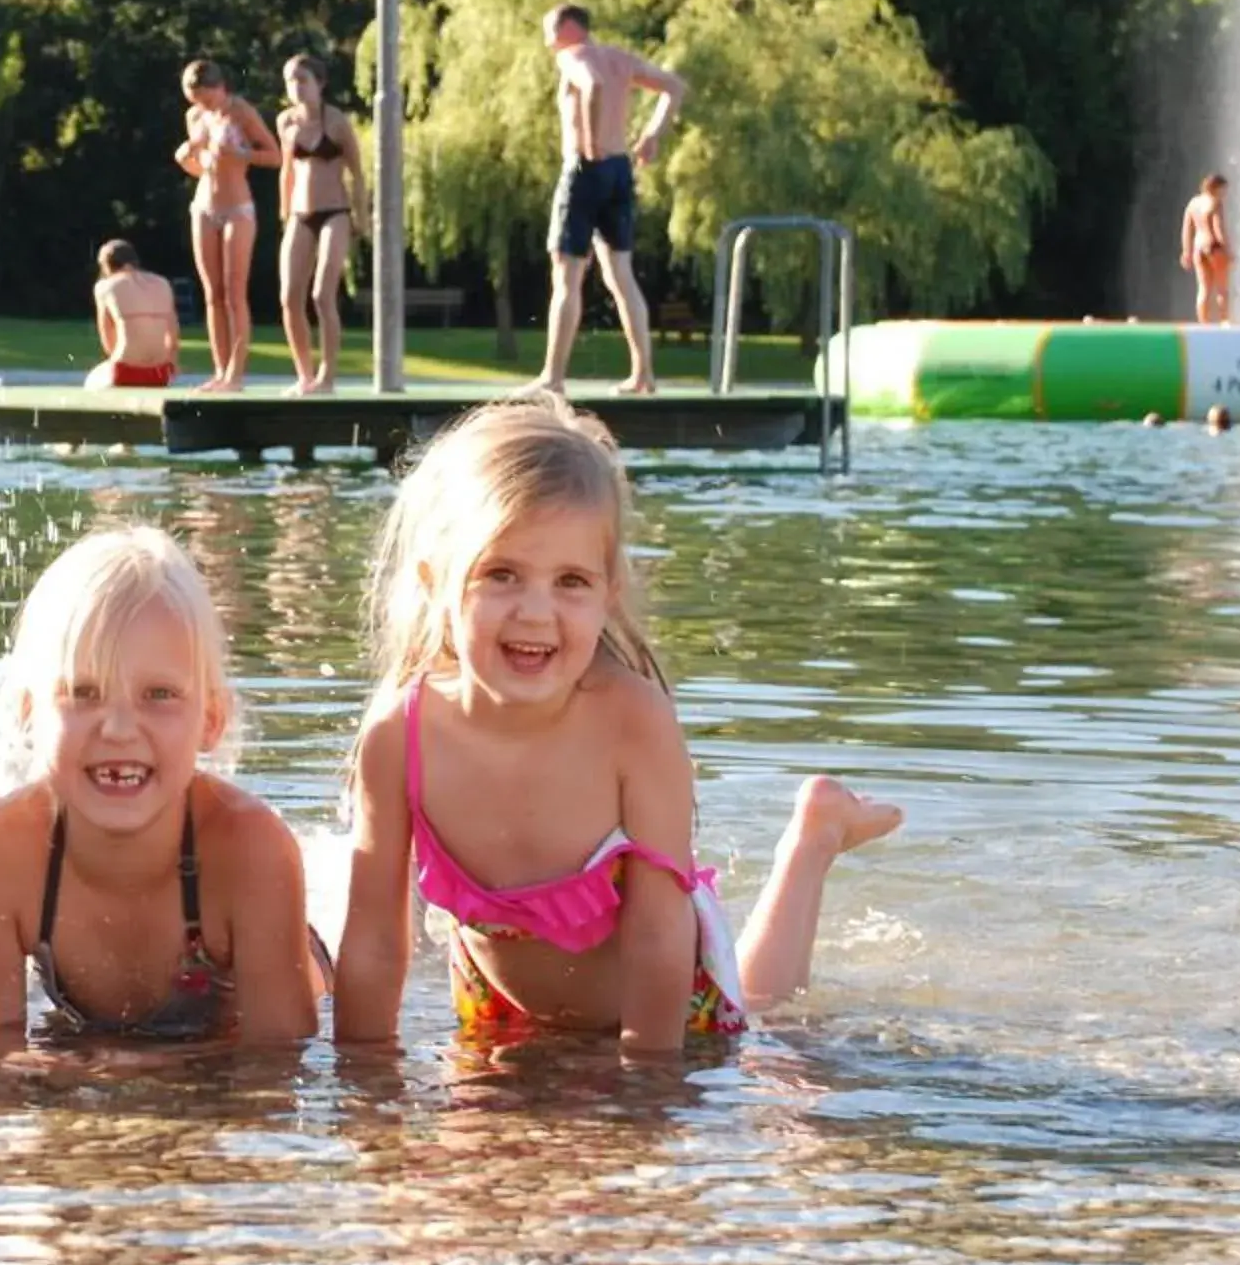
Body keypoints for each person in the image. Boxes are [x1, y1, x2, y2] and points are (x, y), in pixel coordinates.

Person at [336, 398, 899, 1050]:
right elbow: (375, 940)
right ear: (436, 585)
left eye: (571, 581)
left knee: (771, 1020)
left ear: (609, 591)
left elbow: (660, 934)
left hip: (666, 1011)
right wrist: (364, 1095)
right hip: (506, 1012)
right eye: (500, 574)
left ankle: (811, 842)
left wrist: (645, 1088)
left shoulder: (631, 723)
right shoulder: (399, 734)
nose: (536, 612)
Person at [0, 528, 321, 1042]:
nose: (120, 729)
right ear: (29, 716)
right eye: (83, 692)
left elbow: (280, 1069)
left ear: (211, 719)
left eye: (159, 694)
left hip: (262, 985)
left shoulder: (252, 854)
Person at [535, 6, 688, 397]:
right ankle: (643, 374)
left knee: (567, 274)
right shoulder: (620, 59)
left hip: (585, 168)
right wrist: (652, 135)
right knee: (620, 273)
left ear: (569, 28)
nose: (546, 36)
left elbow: (593, 86)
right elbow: (674, 87)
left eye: (550, 27)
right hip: (620, 169)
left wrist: (587, 141)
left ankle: (552, 378)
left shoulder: (573, 56)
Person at [175, 60, 280, 395]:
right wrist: (188, 157)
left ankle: (236, 374)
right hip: (204, 207)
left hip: (237, 207)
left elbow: (275, 156)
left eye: (204, 98)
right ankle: (219, 372)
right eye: (195, 100)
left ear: (219, 88)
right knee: (213, 294)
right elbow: (201, 169)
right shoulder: (195, 117)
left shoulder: (241, 112)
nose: (200, 106)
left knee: (235, 292)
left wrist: (240, 152)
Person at [275, 53, 368, 398]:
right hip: (300, 214)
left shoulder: (337, 123)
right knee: (289, 296)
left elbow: (357, 173)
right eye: (290, 81)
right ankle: (304, 376)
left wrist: (361, 215)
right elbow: (286, 169)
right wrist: (284, 212)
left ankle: (328, 377)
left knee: (322, 294)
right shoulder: (286, 122)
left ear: (320, 84)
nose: (296, 88)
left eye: (302, 81)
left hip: (335, 212)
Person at [86, 240, 182, 390]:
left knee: (91, 380)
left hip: (125, 370)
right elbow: (173, 334)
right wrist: (171, 364)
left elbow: (107, 337)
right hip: (160, 372)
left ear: (106, 265)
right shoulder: (162, 283)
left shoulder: (104, 287)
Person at [1180, 174, 1233, 325]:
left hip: (1198, 247)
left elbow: (1187, 229)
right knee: (1222, 289)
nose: (1225, 193)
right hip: (1214, 246)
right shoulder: (1215, 203)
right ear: (1217, 187)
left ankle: (1204, 323)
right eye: (1224, 189)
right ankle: (1224, 322)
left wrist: (1186, 251)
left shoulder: (1193, 203)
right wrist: (1227, 250)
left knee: (1203, 288)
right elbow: (1218, 228)